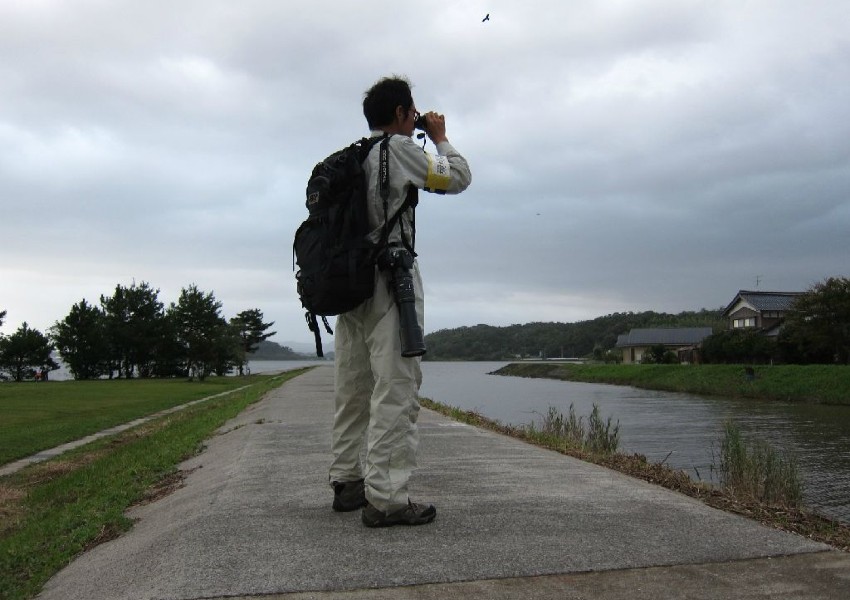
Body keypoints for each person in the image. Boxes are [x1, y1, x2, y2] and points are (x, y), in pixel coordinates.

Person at [329, 76, 472, 527]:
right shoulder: (401, 150)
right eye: (412, 114)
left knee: (353, 390)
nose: (416, 120)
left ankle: (347, 483)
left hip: (347, 288)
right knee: (396, 388)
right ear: (400, 115)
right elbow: (457, 179)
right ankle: (387, 499)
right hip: (391, 284)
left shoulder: (350, 157)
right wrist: (441, 138)